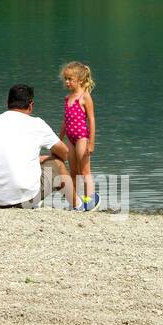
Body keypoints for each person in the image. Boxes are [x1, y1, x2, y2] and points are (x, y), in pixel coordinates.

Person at [0, 83, 74, 209]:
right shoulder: (37, 124)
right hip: (21, 201)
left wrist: (36, 159)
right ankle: (78, 205)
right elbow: (65, 152)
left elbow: (4, 154)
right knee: (58, 164)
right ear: (31, 105)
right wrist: (51, 158)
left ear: (8, 103)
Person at [59, 61, 99, 212]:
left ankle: (90, 199)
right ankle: (74, 201)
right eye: (66, 79)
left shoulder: (85, 97)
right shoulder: (67, 98)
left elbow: (92, 120)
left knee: (85, 171)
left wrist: (91, 143)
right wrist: (59, 139)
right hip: (70, 138)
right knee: (73, 171)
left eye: (70, 79)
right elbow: (65, 121)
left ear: (80, 80)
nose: (67, 82)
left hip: (82, 137)